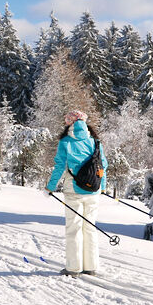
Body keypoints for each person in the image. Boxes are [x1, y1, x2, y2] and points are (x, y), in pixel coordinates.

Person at [46, 110, 107, 277]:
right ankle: (91, 267)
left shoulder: (66, 142)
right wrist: (102, 187)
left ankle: (73, 268)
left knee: (74, 229)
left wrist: (50, 187)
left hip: (73, 190)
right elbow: (103, 165)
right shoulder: (95, 141)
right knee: (90, 228)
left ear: (70, 123)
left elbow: (60, 166)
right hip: (93, 190)